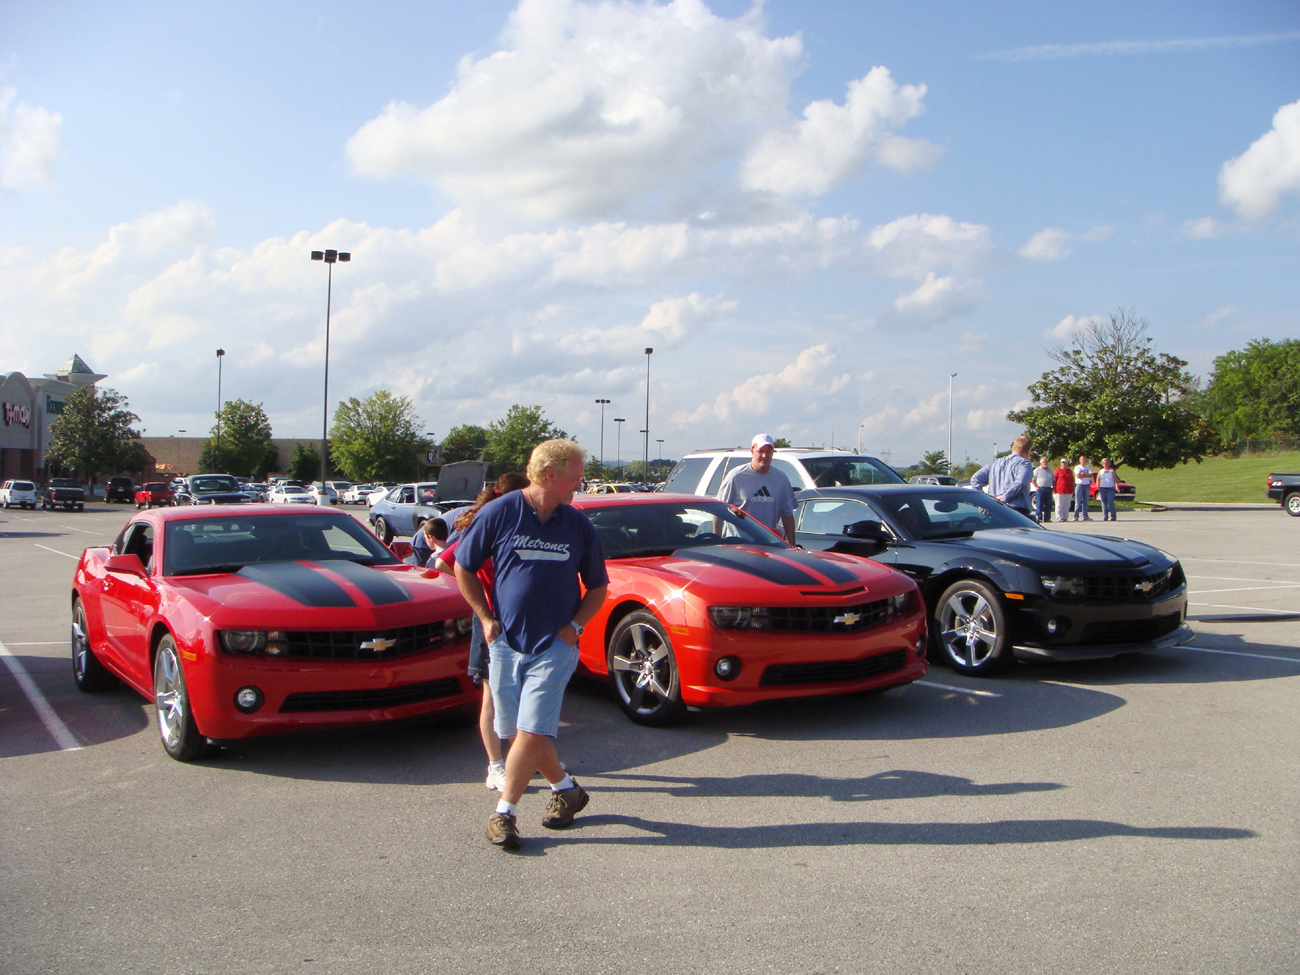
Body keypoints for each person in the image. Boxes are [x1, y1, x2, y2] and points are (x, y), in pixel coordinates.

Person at [455, 441, 608, 851]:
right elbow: (462, 565)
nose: (581, 482)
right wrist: (486, 619)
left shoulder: (578, 526)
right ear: (549, 474)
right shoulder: (501, 512)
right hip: (506, 644)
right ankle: (567, 789)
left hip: (554, 647)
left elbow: (598, 586)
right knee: (519, 733)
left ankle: (504, 814)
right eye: (575, 474)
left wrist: (575, 626)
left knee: (529, 730)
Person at [436, 472, 530, 791]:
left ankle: (529, 757)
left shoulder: (525, 526)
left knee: (526, 694)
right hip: (492, 622)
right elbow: (445, 563)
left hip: (524, 623)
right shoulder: (484, 525)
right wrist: (481, 599)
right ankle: (495, 766)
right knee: (492, 695)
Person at [715, 434, 797, 543]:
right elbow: (719, 511)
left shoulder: (781, 478)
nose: (764, 455)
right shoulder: (736, 476)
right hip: (739, 544)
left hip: (768, 544)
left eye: (768, 452)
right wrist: (716, 541)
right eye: (760, 451)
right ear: (752, 451)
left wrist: (792, 546)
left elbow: (787, 514)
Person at [968, 435, 1034, 516]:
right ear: (1028, 451)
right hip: (1016, 512)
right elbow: (1021, 483)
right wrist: (1004, 497)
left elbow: (975, 479)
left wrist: (983, 503)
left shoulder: (995, 463)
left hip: (994, 510)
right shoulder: (1024, 463)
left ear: (1013, 448)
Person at [1032, 456, 1054, 524]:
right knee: (1039, 504)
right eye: (1043, 462)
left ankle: (1047, 518)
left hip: (1048, 488)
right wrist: (1036, 487)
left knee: (1048, 504)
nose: (1045, 463)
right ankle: (1039, 518)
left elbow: (1053, 480)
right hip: (1040, 489)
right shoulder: (1037, 470)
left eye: (1046, 462)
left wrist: (1053, 487)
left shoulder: (1050, 470)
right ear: (1041, 463)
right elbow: (1033, 479)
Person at [1053, 458, 1074, 523]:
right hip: (1059, 490)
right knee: (1059, 504)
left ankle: (1065, 517)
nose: (1063, 464)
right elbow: (1054, 480)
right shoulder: (1057, 470)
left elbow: (1072, 480)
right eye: (1062, 462)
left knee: (1067, 505)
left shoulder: (1069, 471)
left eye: (1065, 463)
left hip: (1068, 490)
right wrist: (1053, 489)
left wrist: (1072, 488)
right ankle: (1059, 517)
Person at [1073, 455, 1094, 521]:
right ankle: (1075, 516)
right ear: (1080, 460)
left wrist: (1083, 474)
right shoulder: (1077, 467)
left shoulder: (1088, 467)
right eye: (1082, 459)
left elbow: (1091, 475)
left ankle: (1085, 516)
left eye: (1084, 459)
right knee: (1078, 502)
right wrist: (1085, 475)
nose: (1083, 461)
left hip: (1086, 485)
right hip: (1079, 485)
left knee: (1086, 502)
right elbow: (1078, 476)